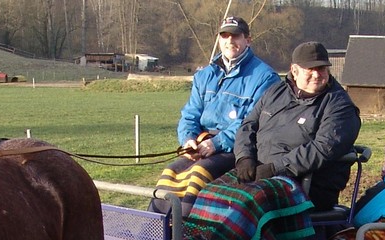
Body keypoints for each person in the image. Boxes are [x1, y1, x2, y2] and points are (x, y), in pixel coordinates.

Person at [152, 16, 280, 216]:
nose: (230, 41)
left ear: (248, 40)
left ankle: (182, 232)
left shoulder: (265, 77)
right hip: (202, 143)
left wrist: (216, 143)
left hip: (237, 148)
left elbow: (250, 122)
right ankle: (153, 229)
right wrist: (188, 139)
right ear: (219, 39)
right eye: (225, 36)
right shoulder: (205, 75)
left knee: (197, 174)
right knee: (171, 172)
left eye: (236, 36)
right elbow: (190, 113)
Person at [233, 41, 362, 211]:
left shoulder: (339, 106)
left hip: (305, 183)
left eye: (321, 68)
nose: (316, 74)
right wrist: (244, 158)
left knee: (242, 207)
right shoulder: (275, 92)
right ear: (294, 71)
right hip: (260, 172)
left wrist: (275, 169)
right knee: (211, 195)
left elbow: (323, 148)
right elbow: (248, 126)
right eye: (310, 69)